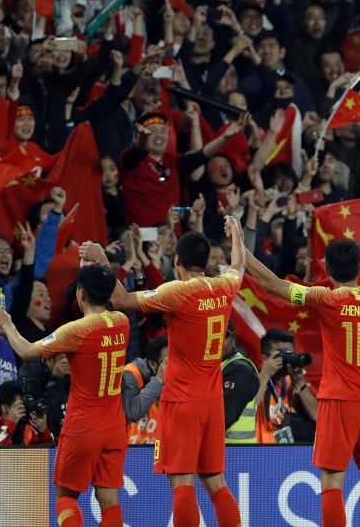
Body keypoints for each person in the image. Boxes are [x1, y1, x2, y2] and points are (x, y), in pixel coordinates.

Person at [79, 216, 246, 527]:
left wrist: (103, 261)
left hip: (181, 401)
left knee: (183, 483)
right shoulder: (225, 286)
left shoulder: (176, 292)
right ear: (207, 261)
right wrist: (237, 237)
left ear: (177, 261)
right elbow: (238, 266)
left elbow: (120, 299)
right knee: (216, 483)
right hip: (212, 402)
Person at [244, 238, 360, 527]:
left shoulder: (325, 298)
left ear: (327, 270)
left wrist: (241, 252)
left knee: (332, 482)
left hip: (338, 400)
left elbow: (273, 285)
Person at [0, 263, 129, 527]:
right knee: (110, 503)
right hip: (114, 426)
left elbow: (26, 352)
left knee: (66, 497)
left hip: (82, 426)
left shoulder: (76, 331)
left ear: (80, 295)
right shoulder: (122, 322)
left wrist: (7, 324)